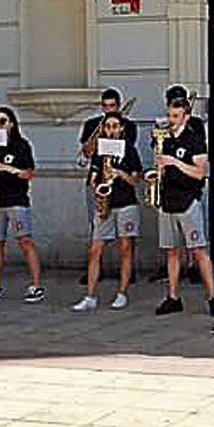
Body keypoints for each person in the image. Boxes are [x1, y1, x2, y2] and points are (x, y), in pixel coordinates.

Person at [154, 97, 214, 316]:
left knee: (199, 250)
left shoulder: (194, 140)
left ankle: (212, 297)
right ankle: (173, 297)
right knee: (172, 252)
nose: (171, 121)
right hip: (167, 200)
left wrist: (176, 163)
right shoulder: (164, 140)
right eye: (169, 116)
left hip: (188, 200)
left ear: (186, 117)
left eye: (175, 116)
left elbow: (201, 172)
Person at [72, 112, 143, 312]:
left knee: (125, 248)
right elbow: (93, 177)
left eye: (115, 126)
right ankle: (90, 296)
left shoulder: (130, 150)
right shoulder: (99, 151)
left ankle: (122, 293)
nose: (111, 130)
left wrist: (119, 173)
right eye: (108, 126)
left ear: (121, 129)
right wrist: (98, 187)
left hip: (126, 203)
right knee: (95, 250)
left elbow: (136, 180)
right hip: (106, 204)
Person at [0, 106, 45, 303]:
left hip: (16, 199)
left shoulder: (21, 145)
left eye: (3, 121)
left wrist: (5, 168)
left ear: (12, 124)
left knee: (25, 242)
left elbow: (29, 173)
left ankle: (36, 285)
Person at [76, 88, 137, 285]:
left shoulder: (128, 125)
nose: (109, 109)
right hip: (98, 182)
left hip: (120, 185)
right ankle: (96, 270)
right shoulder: (91, 124)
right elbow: (85, 153)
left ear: (119, 106)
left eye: (112, 106)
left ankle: (127, 272)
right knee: (96, 228)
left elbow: (127, 147)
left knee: (125, 238)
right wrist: (97, 135)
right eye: (105, 106)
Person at [150, 84, 209, 284]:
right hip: (169, 191)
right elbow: (157, 149)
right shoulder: (164, 127)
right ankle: (172, 284)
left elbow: (200, 158)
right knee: (171, 246)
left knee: (196, 241)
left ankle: (194, 267)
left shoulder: (196, 125)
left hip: (190, 190)